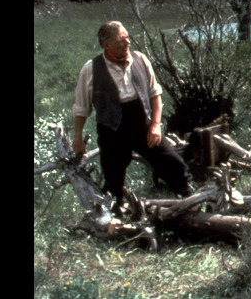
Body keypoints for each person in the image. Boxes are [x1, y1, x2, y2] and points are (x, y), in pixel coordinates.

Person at [72, 21, 192, 212]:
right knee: (113, 177)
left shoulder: (140, 59)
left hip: (140, 123)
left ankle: (187, 200)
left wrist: (155, 126)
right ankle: (115, 211)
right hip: (111, 129)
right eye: (122, 39)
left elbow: (155, 94)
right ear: (106, 45)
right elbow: (81, 108)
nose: (128, 42)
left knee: (173, 163)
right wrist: (78, 138)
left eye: (127, 36)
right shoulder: (91, 68)